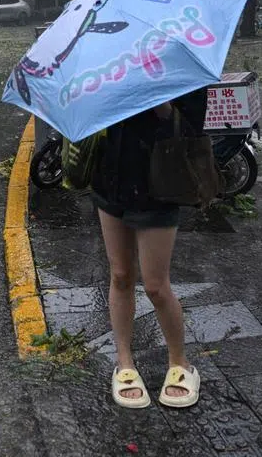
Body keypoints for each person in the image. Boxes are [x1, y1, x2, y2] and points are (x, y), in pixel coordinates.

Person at [91, 88, 208, 410]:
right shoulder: (112, 70)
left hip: (160, 185)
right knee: (120, 275)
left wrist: (159, 99)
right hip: (110, 181)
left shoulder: (181, 72)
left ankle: (180, 363)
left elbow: (191, 130)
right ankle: (124, 362)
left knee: (156, 286)